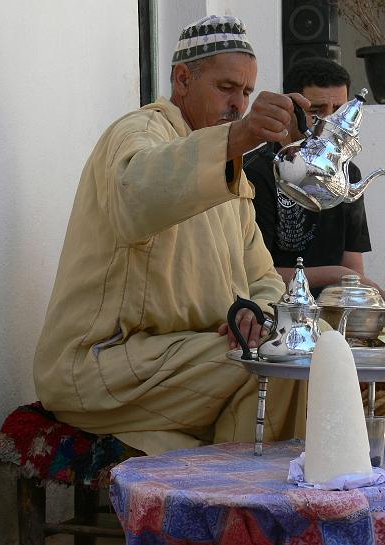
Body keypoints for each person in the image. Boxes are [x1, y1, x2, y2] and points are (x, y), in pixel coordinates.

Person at [33, 15, 312, 456]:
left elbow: (263, 278)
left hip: (184, 359)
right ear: (183, 80)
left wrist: (254, 315)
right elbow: (138, 194)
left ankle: (237, 506)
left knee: (303, 353)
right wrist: (239, 137)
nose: (238, 104)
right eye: (226, 88)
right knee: (269, 371)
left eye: (246, 93)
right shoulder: (137, 133)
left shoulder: (229, 168)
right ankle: (237, 507)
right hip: (106, 362)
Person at [244, 57, 385, 298]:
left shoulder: (347, 172)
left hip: (332, 309)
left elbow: (353, 267)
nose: (329, 122)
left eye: (338, 110)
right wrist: (338, 275)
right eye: (316, 111)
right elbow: (255, 275)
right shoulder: (256, 173)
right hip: (273, 309)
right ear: (291, 108)